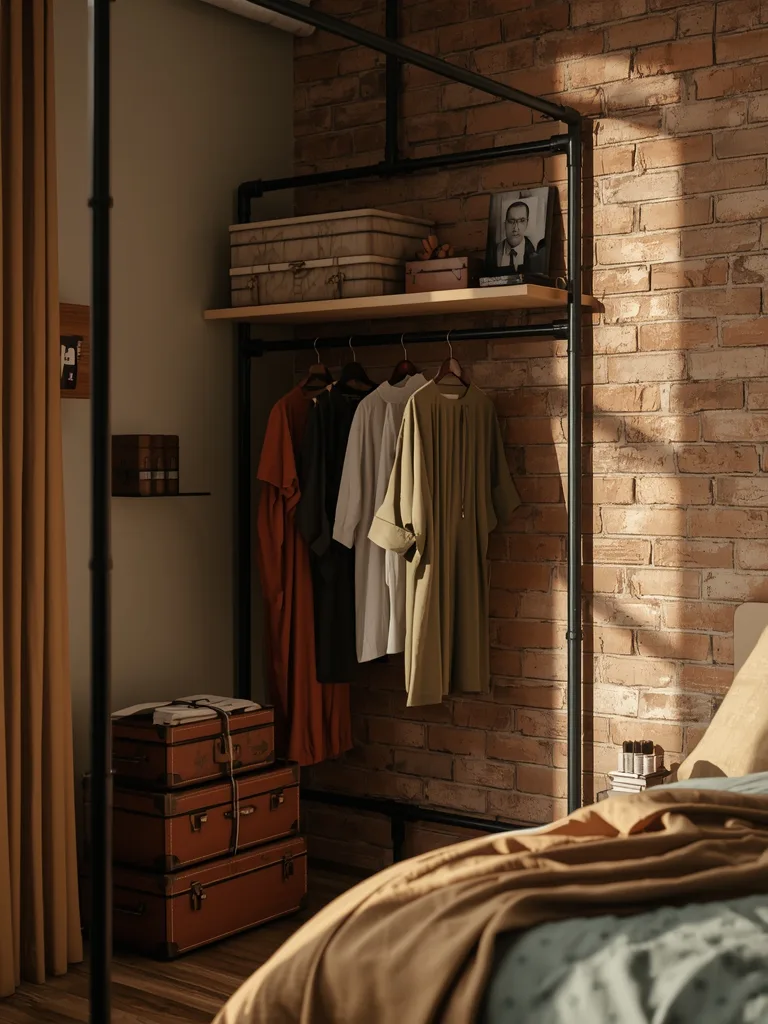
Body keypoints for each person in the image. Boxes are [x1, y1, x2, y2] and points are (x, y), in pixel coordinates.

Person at [496, 200, 536, 271]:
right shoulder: (494, 252)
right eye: (511, 221)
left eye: (521, 221)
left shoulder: (535, 254)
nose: (515, 228)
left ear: (527, 223)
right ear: (505, 224)